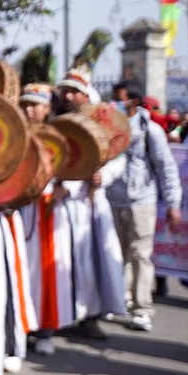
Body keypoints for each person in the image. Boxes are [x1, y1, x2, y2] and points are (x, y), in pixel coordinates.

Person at [56, 56, 127, 340]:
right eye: (65, 91)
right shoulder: (58, 122)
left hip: (92, 204)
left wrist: (104, 175)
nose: (68, 96)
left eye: (74, 91)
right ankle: (66, 314)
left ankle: (91, 315)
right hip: (66, 204)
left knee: (95, 260)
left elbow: (120, 156)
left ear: (86, 94)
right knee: (67, 261)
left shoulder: (102, 121)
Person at [108, 88, 183, 332]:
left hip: (142, 201)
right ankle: (120, 299)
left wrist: (174, 203)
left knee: (140, 253)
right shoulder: (109, 127)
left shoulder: (150, 130)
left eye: (120, 99)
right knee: (117, 254)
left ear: (134, 102)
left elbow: (167, 168)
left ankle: (141, 309)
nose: (115, 104)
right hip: (113, 200)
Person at [18, 83, 70, 356]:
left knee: (46, 271)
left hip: (47, 213)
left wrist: (66, 188)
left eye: (34, 104)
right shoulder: (11, 134)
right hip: (16, 212)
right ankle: (18, 332)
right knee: (17, 272)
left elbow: (77, 170)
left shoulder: (59, 137)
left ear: (47, 108)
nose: (28, 109)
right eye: (24, 103)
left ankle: (45, 330)